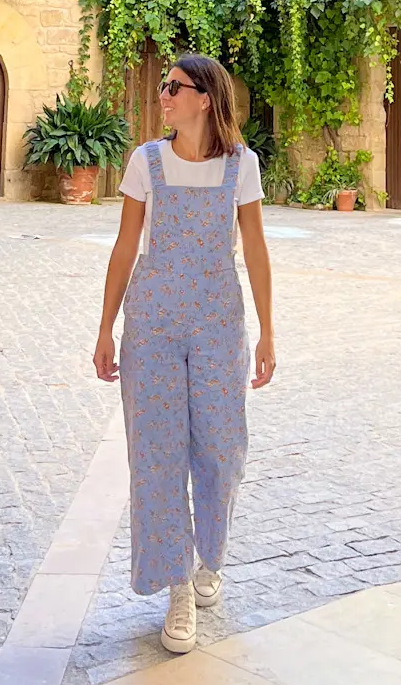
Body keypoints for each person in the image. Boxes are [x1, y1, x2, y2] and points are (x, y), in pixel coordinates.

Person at [93, 54, 275, 654]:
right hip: (152, 324)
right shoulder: (145, 162)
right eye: (163, 87)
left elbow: (254, 250)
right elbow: (124, 249)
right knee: (157, 452)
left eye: (175, 87)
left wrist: (268, 333)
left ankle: (209, 559)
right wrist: (105, 330)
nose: (163, 94)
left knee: (223, 448)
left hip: (220, 322)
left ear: (205, 98)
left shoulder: (240, 166)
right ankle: (176, 585)